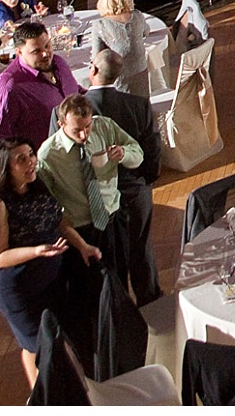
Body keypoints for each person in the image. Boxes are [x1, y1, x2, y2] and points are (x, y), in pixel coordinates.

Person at [0, 137, 100, 387]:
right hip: (18, 286)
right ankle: (41, 398)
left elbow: (58, 222)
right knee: (36, 344)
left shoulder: (36, 186)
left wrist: (82, 245)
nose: (31, 162)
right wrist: (35, 251)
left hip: (49, 278)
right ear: (5, 167)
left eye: (31, 155)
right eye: (21, 159)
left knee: (55, 336)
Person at [83, 49, 161, 304]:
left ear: (93, 71)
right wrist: (144, 181)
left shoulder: (68, 112)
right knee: (141, 250)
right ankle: (152, 306)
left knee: (109, 258)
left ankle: (118, 311)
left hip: (94, 200)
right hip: (134, 190)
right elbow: (152, 152)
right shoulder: (138, 105)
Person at [36, 93, 141, 254]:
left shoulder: (104, 126)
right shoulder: (48, 155)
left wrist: (124, 153)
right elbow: (46, 201)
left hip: (113, 218)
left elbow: (138, 155)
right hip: (80, 229)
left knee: (120, 272)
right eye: (77, 130)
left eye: (88, 126)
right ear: (60, 124)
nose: (84, 135)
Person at [0, 20, 82, 151]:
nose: (45, 54)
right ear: (19, 52)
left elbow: (75, 90)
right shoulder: (9, 87)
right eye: (36, 51)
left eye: (47, 46)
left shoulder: (59, 63)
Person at [88, 0, 150, 96]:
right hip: (141, 76)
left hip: (119, 79)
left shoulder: (100, 24)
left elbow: (97, 57)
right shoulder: (137, 16)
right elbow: (146, 32)